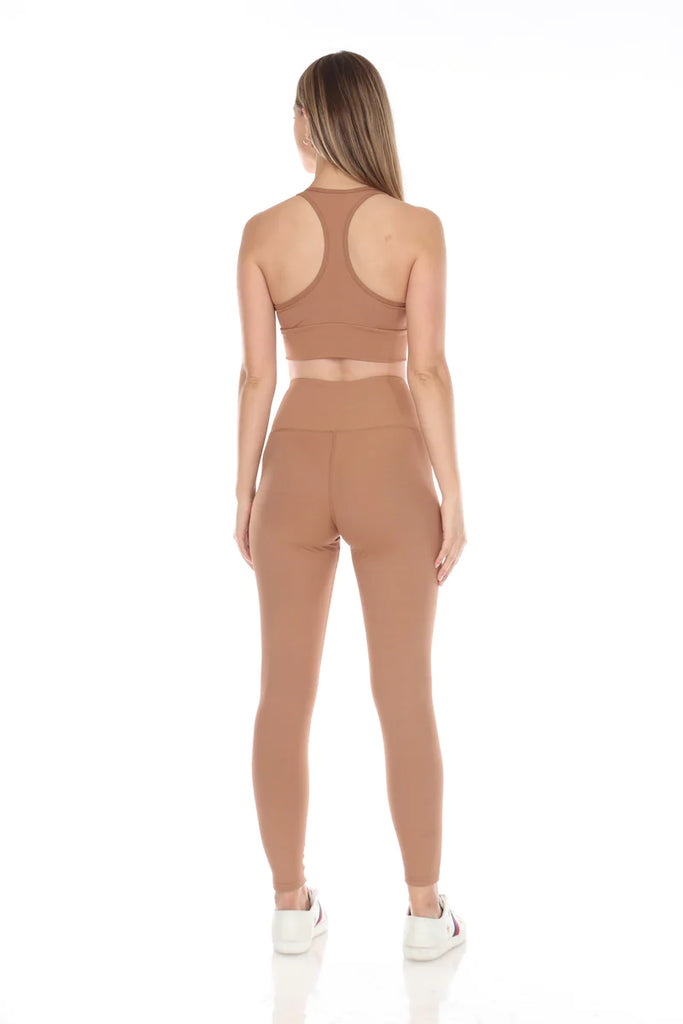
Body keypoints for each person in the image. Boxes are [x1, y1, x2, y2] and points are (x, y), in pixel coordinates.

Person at [234, 51, 467, 959]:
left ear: (310, 121)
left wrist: (243, 489)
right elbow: (429, 371)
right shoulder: (415, 227)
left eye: (295, 110)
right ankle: (424, 917)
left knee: (281, 694)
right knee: (403, 692)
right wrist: (453, 495)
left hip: (293, 459)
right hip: (387, 459)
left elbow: (257, 376)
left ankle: (290, 909)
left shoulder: (262, 232)